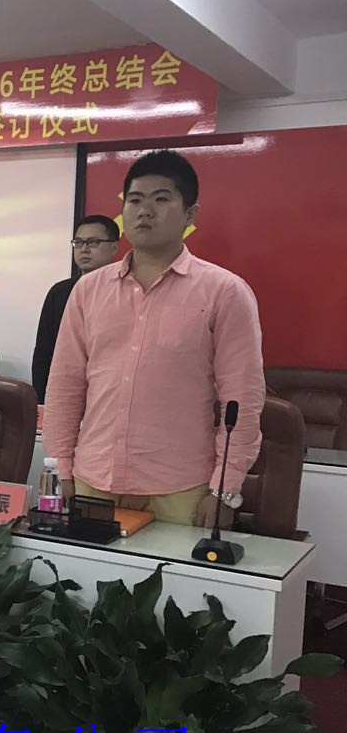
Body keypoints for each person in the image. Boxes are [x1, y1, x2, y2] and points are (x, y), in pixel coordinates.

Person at [44, 150, 266, 528]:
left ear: (190, 214)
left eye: (161, 199)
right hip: (93, 479)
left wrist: (224, 490)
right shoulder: (88, 290)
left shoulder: (224, 292)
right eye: (135, 201)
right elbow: (65, 386)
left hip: (179, 487)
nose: (145, 211)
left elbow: (241, 398)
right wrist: (61, 468)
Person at [31, 215, 120, 402]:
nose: (84, 249)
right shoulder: (60, 292)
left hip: (109, 394)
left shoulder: (125, 292)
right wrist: (41, 401)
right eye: (78, 243)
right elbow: (44, 353)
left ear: (114, 247)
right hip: (65, 393)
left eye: (93, 242)